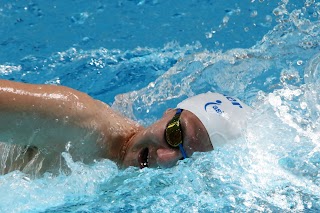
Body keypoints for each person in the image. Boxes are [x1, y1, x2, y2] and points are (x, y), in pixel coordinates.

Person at [0, 80, 252, 174]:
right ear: (168, 113)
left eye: (186, 160)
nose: (164, 159)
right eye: (174, 135)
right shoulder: (75, 119)